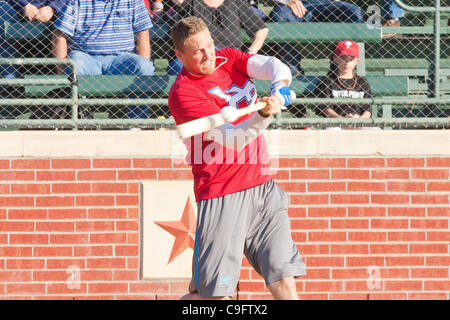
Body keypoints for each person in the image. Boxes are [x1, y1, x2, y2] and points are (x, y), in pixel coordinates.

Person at [168, 16, 306, 300]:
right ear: (179, 55)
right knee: (215, 295)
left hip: (263, 186)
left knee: (284, 279)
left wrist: (280, 85)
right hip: (222, 193)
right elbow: (235, 138)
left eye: (209, 44)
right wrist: (264, 115)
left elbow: (271, 65)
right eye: (198, 51)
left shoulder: (227, 57)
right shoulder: (184, 93)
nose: (208, 55)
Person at [52, 0, 155, 119]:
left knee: (144, 66)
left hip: (120, 60)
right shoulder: (77, 2)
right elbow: (59, 34)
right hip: (86, 57)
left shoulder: (133, 1)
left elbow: (143, 34)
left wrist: (142, 61)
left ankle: (136, 122)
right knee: (75, 65)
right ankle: (78, 120)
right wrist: (61, 71)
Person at [167, 0, 269, 75]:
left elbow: (261, 29)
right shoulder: (191, 3)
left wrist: (251, 52)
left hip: (229, 60)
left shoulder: (236, 3)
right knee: (179, 67)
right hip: (199, 59)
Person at [268, 0, 364, 76]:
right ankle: (292, 70)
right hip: (296, 4)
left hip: (329, 5)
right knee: (280, 15)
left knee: (353, 13)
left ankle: (338, 73)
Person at [312, 40, 374, 129]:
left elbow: (368, 109)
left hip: (359, 121)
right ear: (335, 58)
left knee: (376, 131)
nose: (347, 63)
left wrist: (360, 121)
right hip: (336, 122)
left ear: (357, 60)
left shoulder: (362, 82)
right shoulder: (328, 81)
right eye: (343, 58)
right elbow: (325, 108)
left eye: (351, 59)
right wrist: (341, 120)